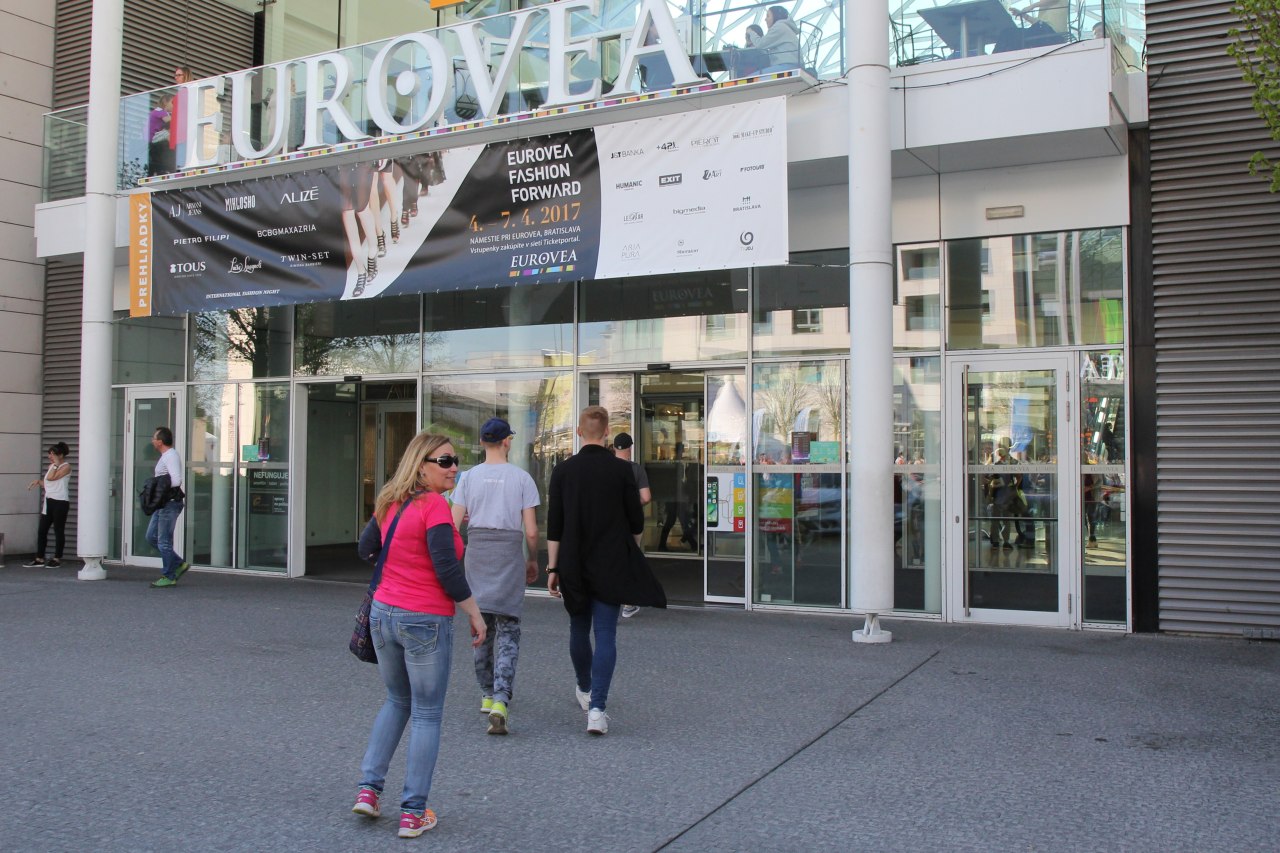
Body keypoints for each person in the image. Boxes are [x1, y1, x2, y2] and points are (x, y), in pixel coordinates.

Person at [352, 431, 486, 838]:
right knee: (426, 713)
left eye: (455, 460)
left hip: (383, 614)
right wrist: (475, 614)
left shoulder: (390, 501)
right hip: (424, 618)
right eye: (444, 461)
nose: (454, 467)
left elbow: (366, 549)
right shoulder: (436, 508)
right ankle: (413, 812)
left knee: (397, 700)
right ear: (421, 464)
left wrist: (401, 571)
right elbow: (447, 570)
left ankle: (368, 790)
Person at [546, 406, 665, 735]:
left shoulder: (562, 471)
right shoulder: (621, 470)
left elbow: (555, 525)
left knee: (578, 628)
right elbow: (636, 521)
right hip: (611, 560)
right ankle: (597, 709)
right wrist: (631, 551)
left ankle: (584, 688)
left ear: (579, 432)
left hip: (573, 560)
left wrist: (553, 566)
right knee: (606, 633)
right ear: (607, 432)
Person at [449, 418, 540, 736]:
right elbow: (531, 531)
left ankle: (486, 694)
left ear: (482, 442)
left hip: (478, 555)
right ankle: (501, 699)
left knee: (480, 627)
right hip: (508, 555)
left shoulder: (468, 478)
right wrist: (533, 559)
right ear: (507, 441)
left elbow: (453, 525)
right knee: (509, 630)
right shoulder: (522, 478)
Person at [611, 432, 651, 619]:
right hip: (632, 521)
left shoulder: (606, 468)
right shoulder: (636, 469)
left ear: (614, 448)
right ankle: (628, 603)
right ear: (630, 448)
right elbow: (646, 497)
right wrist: (632, 505)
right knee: (631, 557)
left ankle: (609, 602)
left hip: (610, 521)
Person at [147, 427, 189, 588]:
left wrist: (157, 487)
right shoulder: (165, 456)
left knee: (164, 541)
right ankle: (178, 564)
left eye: (154, 438)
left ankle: (169, 576)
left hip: (169, 503)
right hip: (163, 503)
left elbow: (176, 480)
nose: (152, 441)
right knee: (151, 537)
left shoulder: (171, 456)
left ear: (160, 441)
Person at [23, 442, 72, 568]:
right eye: (49, 454)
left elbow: (51, 478)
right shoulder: (52, 466)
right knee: (42, 530)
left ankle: (57, 558)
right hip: (49, 501)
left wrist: (56, 464)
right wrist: (38, 482)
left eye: (53, 454)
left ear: (61, 455)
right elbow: (49, 484)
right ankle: (39, 558)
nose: (50, 456)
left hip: (60, 502)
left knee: (58, 530)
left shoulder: (66, 467)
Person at [753, 6, 802, 73]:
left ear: (775, 16)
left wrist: (751, 33)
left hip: (786, 65)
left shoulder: (779, 27)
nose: (765, 19)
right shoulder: (786, 27)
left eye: (768, 16)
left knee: (751, 78)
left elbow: (760, 45)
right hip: (794, 65)